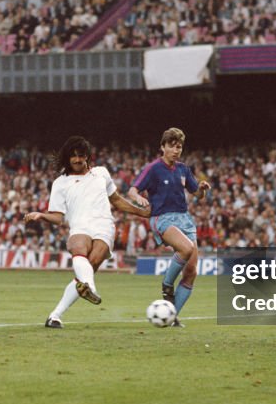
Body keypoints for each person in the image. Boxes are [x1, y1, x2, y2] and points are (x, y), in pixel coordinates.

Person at [24, 136, 151, 328]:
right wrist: (41, 215)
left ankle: (55, 314)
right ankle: (86, 290)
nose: (77, 160)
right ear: (67, 158)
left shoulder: (101, 173)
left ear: (88, 157)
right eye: (73, 156)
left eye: (80, 156)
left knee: (87, 269)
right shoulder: (60, 182)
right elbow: (58, 218)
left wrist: (142, 213)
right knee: (78, 248)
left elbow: (116, 200)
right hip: (79, 225)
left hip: (104, 226)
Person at [128, 128, 210, 327]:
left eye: (179, 146)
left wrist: (201, 189)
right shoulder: (153, 168)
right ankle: (166, 285)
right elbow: (132, 190)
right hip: (162, 218)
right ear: (162, 147)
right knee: (187, 248)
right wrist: (139, 198)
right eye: (172, 146)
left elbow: (196, 195)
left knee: (191, 273)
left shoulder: (183, 169)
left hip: (184, 219)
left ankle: (171, 317)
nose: (176, 150)